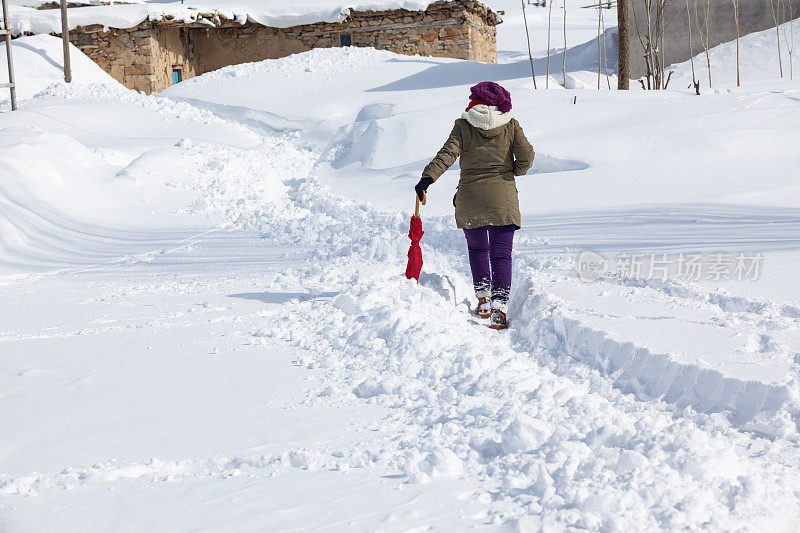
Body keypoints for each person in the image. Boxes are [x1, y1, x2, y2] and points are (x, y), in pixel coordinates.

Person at [415, 81, 534, 330]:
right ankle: (499, 309)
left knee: (478, 250)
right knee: (501, 255)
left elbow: (447, 154)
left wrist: (427, 178)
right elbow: (526, 156)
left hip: (470, 198)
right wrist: (514, 171)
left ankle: (483, 300)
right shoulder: (510, 124)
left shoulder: (463, 125)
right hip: (503, 199)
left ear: (475, 100)